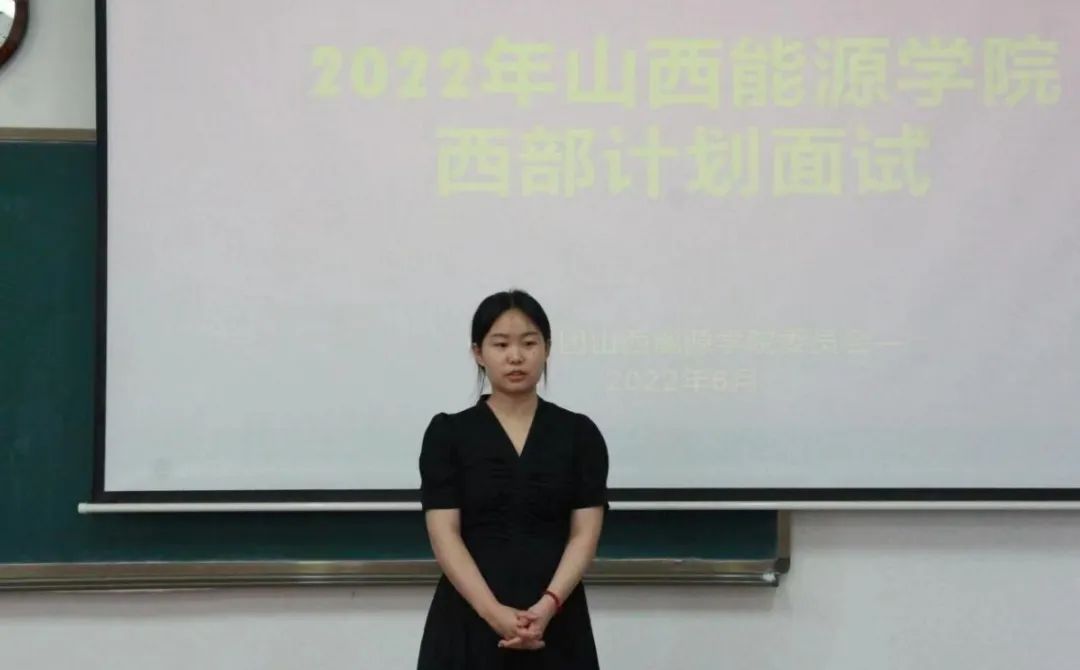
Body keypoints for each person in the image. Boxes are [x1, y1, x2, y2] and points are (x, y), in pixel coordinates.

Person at [416, 289, 609, 669]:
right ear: (478, 353)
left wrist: (547, 606)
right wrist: (493, 613)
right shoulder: (448, 434)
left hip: (556, 621)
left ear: (547, 348)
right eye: (501, 344)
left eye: (529, 343)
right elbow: (444, 534)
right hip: (468, 617)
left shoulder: (579, 434)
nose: (516, 356)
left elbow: (584, 533)